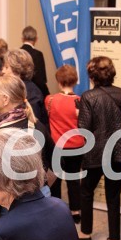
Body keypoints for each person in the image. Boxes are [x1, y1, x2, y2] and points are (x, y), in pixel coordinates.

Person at [77, 57, 121, 240]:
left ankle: (86, 234)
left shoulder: (88, 97)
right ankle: (114, 239)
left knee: (86, 191)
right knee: (113, 194)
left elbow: (84, 128)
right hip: (117, 151)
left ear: (91, 75)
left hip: (95, 153)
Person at [0, 75, 54, 183]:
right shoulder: (36, 125)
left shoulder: (0, 134)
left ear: (5, 99)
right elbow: (57, 164)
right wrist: (42, 188)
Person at [45, 65, 83, 223]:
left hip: (57, 146)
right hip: (77, 145)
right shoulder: (79, 101)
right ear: (75, 81)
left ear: (59, 81)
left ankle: (56, 211)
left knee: (56, 181)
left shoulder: (50, 100)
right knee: (74, 180)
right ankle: (75, 212)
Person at [2, 48, 47, 126]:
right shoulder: (14, 88)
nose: (3, 71)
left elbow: (32, 122)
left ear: (17, 69)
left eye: (6, 67)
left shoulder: (31, 91)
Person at [20, 26, 49, 97]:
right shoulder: (38, 54)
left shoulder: (17, 53)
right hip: (34, 93)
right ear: (36, 39)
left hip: (19, 91)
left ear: (22, 39)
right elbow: (41, 79)